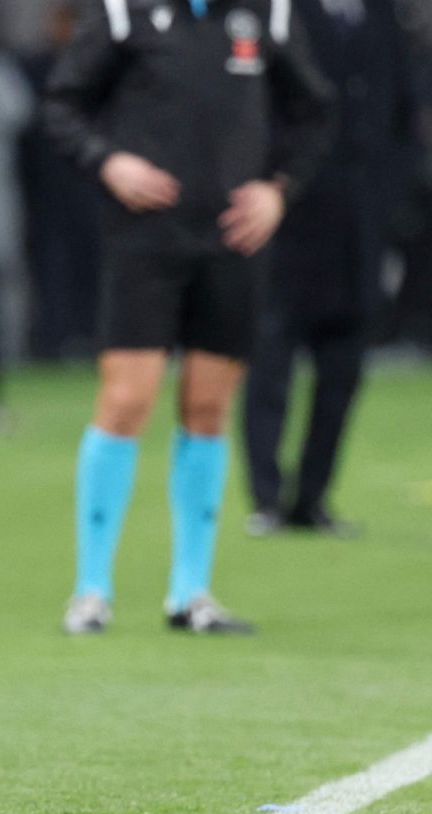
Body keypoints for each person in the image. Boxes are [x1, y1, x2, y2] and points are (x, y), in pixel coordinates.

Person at [44, 0, 334, 634]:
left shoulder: (271, 13)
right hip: (144, 240)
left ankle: (190, 593)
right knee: (126, 402)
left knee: (207, 410)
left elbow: (314, 111)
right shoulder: (124, 12)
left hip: (233, 241)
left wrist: (278, 191)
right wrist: (108, 160)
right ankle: (91, 590)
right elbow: (63, 103)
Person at [240, 0, 417, 539]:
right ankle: (267, 496)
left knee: (343, 366)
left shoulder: (385, 16)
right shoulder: (278, 12)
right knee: (271, 358)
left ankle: (312, 497)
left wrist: (392, 205)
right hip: (290, 217)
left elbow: (401, 113)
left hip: (359, 225)